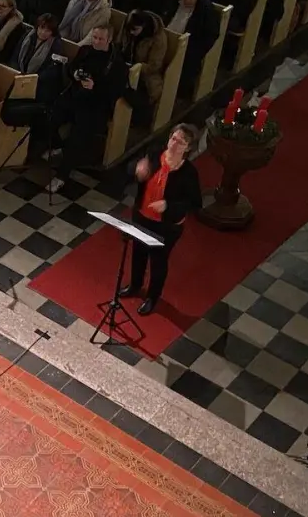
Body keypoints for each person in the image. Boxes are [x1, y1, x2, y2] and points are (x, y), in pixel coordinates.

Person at [119, 123, 202, 315]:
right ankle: (135, 285)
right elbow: (134, 168)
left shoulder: (189, 173)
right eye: (173, 138)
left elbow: (195, 203)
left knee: (158, 261)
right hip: (143, 216)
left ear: (188, 148)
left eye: (180, 142)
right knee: (139, 252)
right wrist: (137, 169)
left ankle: (152, 297)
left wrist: (168, 206)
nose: (174, 144)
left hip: (166, 226)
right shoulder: (156, 154)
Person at [46, 25, 126, 187]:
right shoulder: (85, 50)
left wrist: (94, 87)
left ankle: (62, 175)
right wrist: (74, 73)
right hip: (76, 95)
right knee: (51, 114)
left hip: (96, 104)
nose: (96, 42)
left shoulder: (117, 62)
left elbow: (116, 91)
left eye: (100, 39)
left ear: (109, 40)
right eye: (94, 37)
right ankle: (57, 146)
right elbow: (72, 67)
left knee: (78, 134)